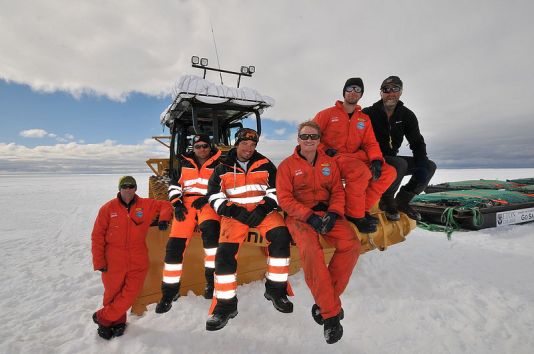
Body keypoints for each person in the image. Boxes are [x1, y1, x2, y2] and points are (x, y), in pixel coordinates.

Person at [277, 121, 360, 344]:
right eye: (305, 136)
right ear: (298, 139)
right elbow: (284, 199)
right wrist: (309, 216)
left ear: (319, 139)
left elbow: (337, 192)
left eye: (313, 137)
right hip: (299, 217)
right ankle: (331, 315)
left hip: (326, 213)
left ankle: (325, 302)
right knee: (312, 252)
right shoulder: (286, 166)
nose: (309, 140)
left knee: (351, 244)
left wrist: (333, 213)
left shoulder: (329, 163)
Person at [204, 128, 293, 331]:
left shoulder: (266, 164)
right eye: (245, 144)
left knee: (281, 237)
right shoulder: (222, 167)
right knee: (224, 255)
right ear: (237, 144)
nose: (248, 149)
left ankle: (276, 290)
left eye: (253, 145)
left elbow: (277, 191)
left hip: (264, 213)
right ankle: (225, 306)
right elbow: (213, 195)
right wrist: (232, 210)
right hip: (234, 216)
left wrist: (263, 208)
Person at [91, 176, 172, 340]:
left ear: (135, 189)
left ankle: (103, 317)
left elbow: (166, 205)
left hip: (138, 258)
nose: (128, 189)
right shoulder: (107, 208)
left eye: (131, 186)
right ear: (119, 189)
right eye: (125, 186)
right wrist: (99, 261)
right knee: (112, 294)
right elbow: (97, 236)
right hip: (113, 258)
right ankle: (117, 322)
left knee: (130, 293)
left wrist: (164, 218)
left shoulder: (146, 205)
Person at [313, 78, 396, 233]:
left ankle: (362, 209)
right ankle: (354, 216)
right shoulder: (326, 114)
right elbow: (310, 135)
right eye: (350, 88)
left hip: (355, 157)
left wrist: (376, 159)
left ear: (361, 94)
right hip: (332, 158)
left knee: (389, 172)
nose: (353, 92)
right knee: (359, 172)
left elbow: (370, 143)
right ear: (344, 91)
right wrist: (324, 149)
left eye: (358, 90)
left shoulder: (363, 119)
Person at [155, 134, 222, 314]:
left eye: (205, 146)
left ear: (210, 147)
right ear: (193, 147)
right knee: (174, 247)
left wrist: (208, 198)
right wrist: (176, 204)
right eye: (198, 146)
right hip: (185, 205)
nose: (202, 149)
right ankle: (169, 292)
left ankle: (211, 284)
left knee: (211, 242)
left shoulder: (220, 164)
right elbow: (174, 185)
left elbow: (224, 187)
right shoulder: (182, 163)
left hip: (208, 205)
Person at [363, 76, 436, 221]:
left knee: (429, 166)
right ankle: (387, 199)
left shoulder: (407, 116)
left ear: (401, 92)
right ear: (381, 93)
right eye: (386, 89)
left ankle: (402, 201)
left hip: (391, 157)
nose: (390, 93)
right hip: (370, 159)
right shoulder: (368, 113)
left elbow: (417, 143)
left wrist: (421, 165)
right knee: (399, 164)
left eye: (395, 89)